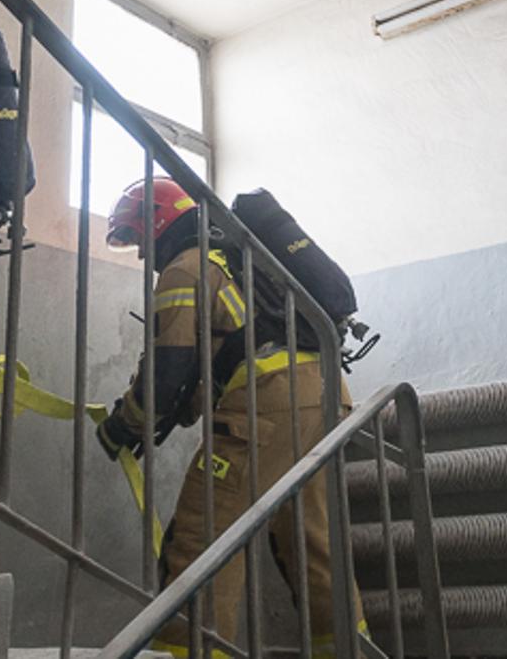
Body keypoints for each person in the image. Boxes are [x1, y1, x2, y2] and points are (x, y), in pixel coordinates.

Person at [95, 177, 365, 658]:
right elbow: (226, 356)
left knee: (199, 545)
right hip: (325, 398)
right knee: (313, 546)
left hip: (265, 411)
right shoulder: (240, 258)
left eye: (138, 239)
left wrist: (125, 424)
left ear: (158, 224)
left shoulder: (185, 269)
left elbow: (166, 373)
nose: (141, 255)